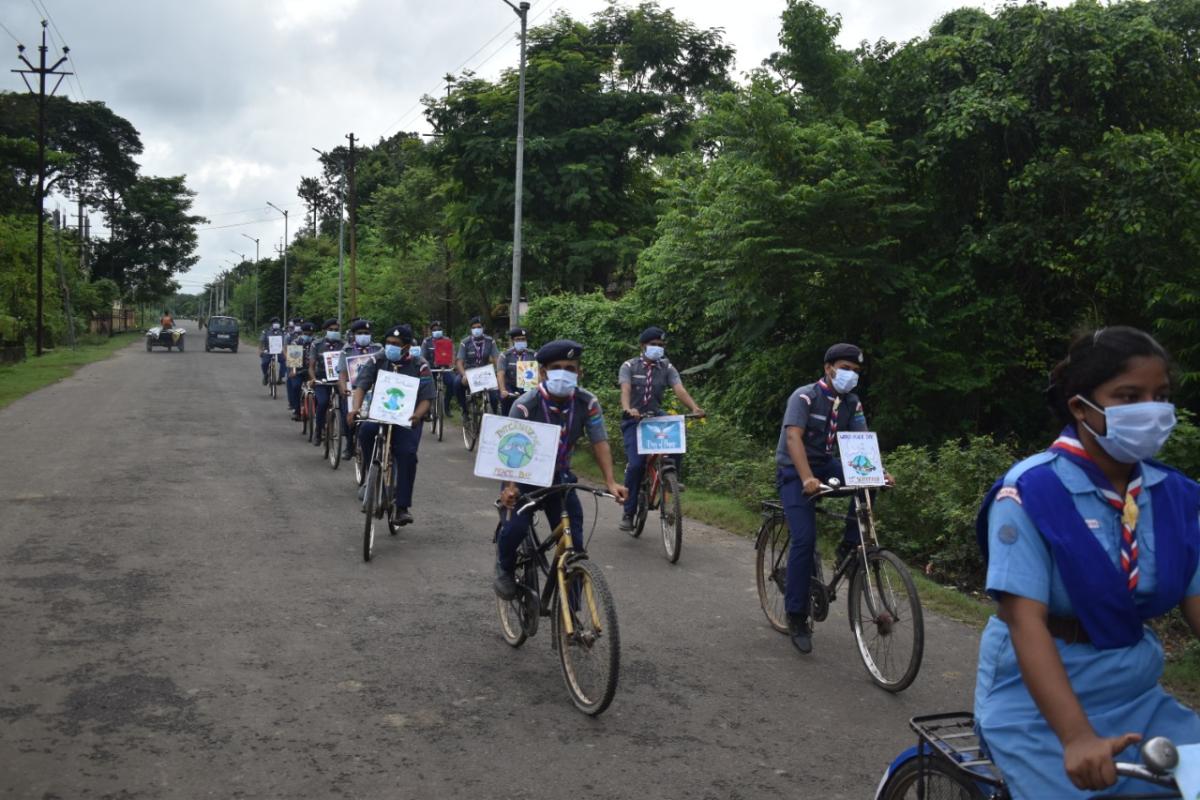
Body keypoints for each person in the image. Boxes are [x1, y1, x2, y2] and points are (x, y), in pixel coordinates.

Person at [973, 327, 1200, 799]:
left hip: (1136, 693)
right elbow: (1024, 622)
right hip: (1038, 707)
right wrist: (1076, 737)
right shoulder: (1031, 492)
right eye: (1129, 396)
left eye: (1161, 396)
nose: (1152, 410)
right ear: (1080, 407)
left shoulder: (1176, 496)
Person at [493, 339, 629, 599]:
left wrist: (611, 482)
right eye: (557, 367)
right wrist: (509, 488)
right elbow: (507, 448)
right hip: (523, 477)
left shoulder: (588, 403)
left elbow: (599, 441)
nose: (564, 372)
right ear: (543, 372)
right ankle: (505, 567)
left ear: (580, 372)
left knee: (574, 540)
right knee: (515, 528)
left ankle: (574, 615)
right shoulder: (524, 405)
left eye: (571, 367)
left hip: (560, 477)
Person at [775, 343, 877, 655]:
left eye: (856, 371)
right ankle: (796, 615)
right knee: (804, 540)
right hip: (795, 469)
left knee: (868, 485)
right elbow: (793, 437)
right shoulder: (804, 396)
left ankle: (849, 543)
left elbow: (859, 444)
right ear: (828, 368)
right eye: (845, 368)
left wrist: (876, 472)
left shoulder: (852, 403)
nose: (850, 375)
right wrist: (806, 478)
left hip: (826, 464)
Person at [616, 326, 705, 531]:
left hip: (655, 415)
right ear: (643, 345)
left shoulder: (667, 367)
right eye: (653, 345)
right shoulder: (629, 366)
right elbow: (625, 389)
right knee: (637, 466)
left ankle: (671, 475)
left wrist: (694, 407)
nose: (657, 348)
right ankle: (629, 512)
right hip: (634, 420)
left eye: (661, 345)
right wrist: (628, 409)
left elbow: (679, 389)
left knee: (676, 429)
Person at [348, 324, 435, 526]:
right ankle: (371, 474)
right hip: (380, 414)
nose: (390, 347)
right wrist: (356, 408)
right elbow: (362, 384)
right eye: (388, 343)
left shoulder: (419, 365)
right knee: (366, 432)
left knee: (407, 454)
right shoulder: (377, 359)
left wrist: (416, 416)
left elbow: (427, 398)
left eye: (395, 344)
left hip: (407, 419)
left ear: (406, 346)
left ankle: (402, 506)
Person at [336, 319, 381, 459]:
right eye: (360, 333)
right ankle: (349, 445)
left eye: (366, 333)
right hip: (353, 390)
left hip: (374, 390)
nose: (363, 335)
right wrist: (344, 389)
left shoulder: (379, 349)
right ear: (354, 334)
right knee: (349, 415)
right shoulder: (347, 350)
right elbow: (342, 373)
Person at [451, 316, 500, 416]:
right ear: (471, 329)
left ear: (483, 328)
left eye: (479, 327)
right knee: (456, 383)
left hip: (486, 373)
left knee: (495, 397)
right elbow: (459, 362)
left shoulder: (490, 341)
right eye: (474, 327)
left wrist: (499, 372)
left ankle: (494, 417)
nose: (476, 329)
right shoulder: (465, 342)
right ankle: (464, 410)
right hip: (469, 372)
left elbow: (496, 358)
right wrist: (464, 375)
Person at [308, 318, 343, 448]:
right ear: (325, 331)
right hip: (322, 380)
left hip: (340, 380)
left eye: (336, 330)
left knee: (345, 404)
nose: (334, 332)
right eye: (331, 330)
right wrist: (313, 379)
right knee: (322, 402)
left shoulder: (344, 345)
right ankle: (318, 431)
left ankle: (345, 430)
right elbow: (311, 366)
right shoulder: (316, 344)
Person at [496, 327, 536, 416]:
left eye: (523, 339)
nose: (521, 342)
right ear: (513, 341)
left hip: (527, 387)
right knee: (506, 401)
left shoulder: (533, 355)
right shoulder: (505, 356)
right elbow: (500, 374)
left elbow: (540, 373)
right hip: (510, 387)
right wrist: (503, 390)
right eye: (518, 340)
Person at [421, 320, 456, 416]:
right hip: (431, 369)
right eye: (435, 329)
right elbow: (422, 357)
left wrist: (452, 365)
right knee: (427, 385)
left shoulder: (447, 341)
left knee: (452, 383)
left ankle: (446, 406)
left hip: (445, 368)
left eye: (439, 329)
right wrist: (426, 367)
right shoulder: (426, 342)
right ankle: (427, 409)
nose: (437, 331)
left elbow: (453, 354)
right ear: (431, 331)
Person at [287, 322, 316, 419]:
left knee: (318, 388)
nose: (308, 336)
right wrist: (293, 370)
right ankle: (297, 410)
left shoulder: (316, 343)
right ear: (302, 333)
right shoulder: (296, 342)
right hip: (299, 370)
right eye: (306, 334)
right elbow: (293, 359)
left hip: (313, 371)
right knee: (295, 386)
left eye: (310, 334)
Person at [259, 317, 286, 386]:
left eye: (277, 322)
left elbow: (285, 342)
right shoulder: (266, 331)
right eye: (275, 322)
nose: (276, 324)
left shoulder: (282, 331)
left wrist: (285, 351)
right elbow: (261, 341)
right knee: (264, 363)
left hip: (279, 351)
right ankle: (266, 375)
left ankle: (280, 377)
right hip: (268, 351)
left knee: (285, 361)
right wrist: (261, 350)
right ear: (272, 324)